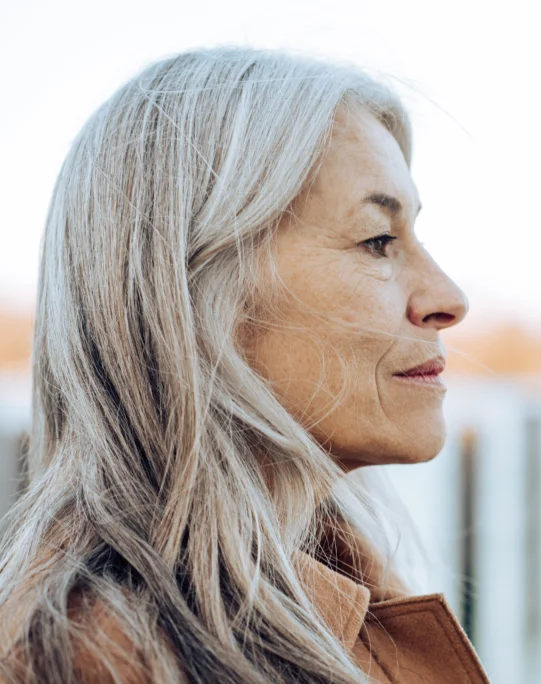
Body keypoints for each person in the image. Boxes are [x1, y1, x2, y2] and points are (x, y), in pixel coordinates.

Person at [0, 47, 488, 684]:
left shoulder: (340, 603)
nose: (448, 299)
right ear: (192, 291)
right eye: (377, 241)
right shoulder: (104, 656)